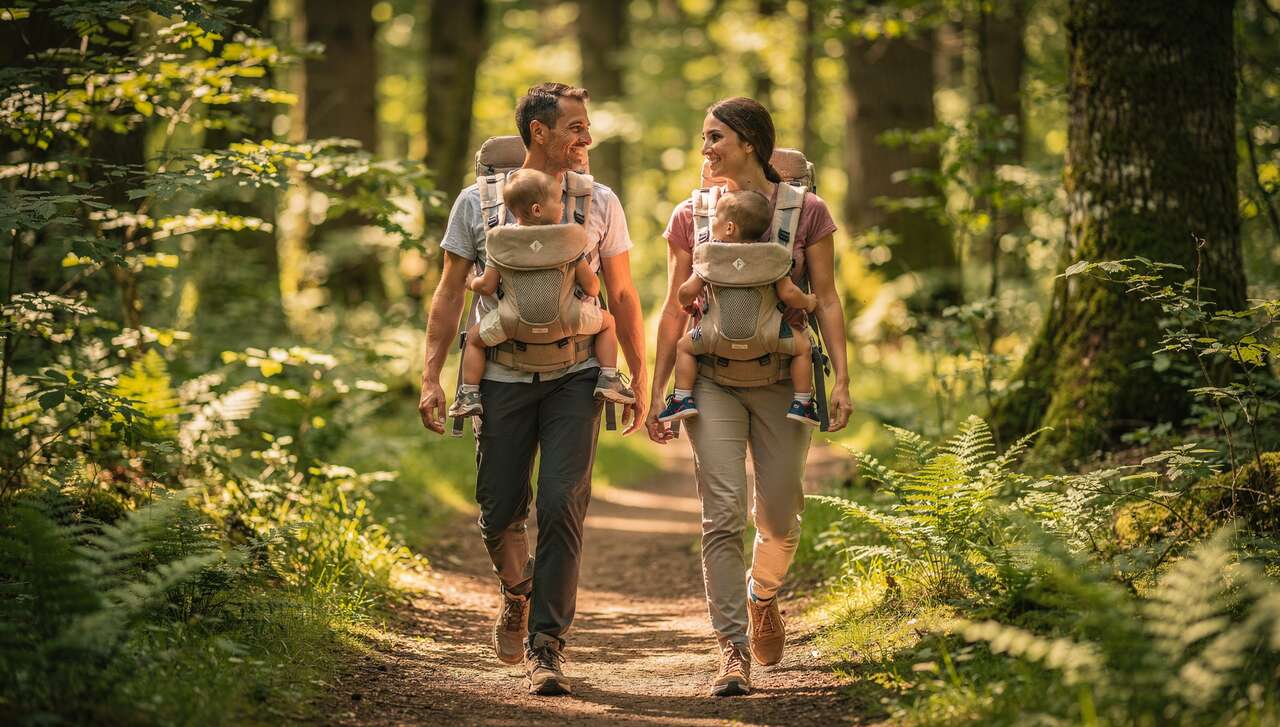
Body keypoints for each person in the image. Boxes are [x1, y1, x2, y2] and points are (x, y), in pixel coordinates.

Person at [419, 82, 648, 696]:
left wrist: (639, 376)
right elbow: (449, 293)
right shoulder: (477, 204)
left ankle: (548, 646)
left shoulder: (601, 201)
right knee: (498, 513)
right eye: (576, 125)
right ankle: (517, 593)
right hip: (498, 376)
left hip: (575, 374)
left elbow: (621, 295)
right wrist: (431, 376)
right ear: (538, 132)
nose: (587, 137)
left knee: (561, 504)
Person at [646, 96, 853, 697]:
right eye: (704, 137)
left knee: (780, 519)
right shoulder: (690, 216)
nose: (705, 148)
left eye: (715, 137)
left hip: (782, 380)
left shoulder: (807, 212)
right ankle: (730, 648)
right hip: (709, 378)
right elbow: (672, 306)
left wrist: (842, 379)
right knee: (722, 514)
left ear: (750, 143)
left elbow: (829, 298)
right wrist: (656, 389)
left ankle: (763, 597)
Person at [448, 168, 634, 418]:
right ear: (537, 209)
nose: (561, 205)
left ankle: (469, 393)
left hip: (510, 322)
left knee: (473, 339)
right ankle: (609, 378)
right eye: (557, 201)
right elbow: (592, 288)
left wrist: (471, 281)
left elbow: (487, 286)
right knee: (608, 323)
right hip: (569, 319)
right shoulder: (569, 239)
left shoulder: (501, 240)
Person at [653, 188, 820, 426]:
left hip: (711, 337)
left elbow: (685, 292)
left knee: (684, 347)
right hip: (771, 337)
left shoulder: (710, 257)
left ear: (729, 227)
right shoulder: (772, 256)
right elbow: (789, 293)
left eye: (715, 219)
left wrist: (687, 303)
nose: (712, 223)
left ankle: (682, 398)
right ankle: (802, 403)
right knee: (803, 347)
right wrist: (809, 302)